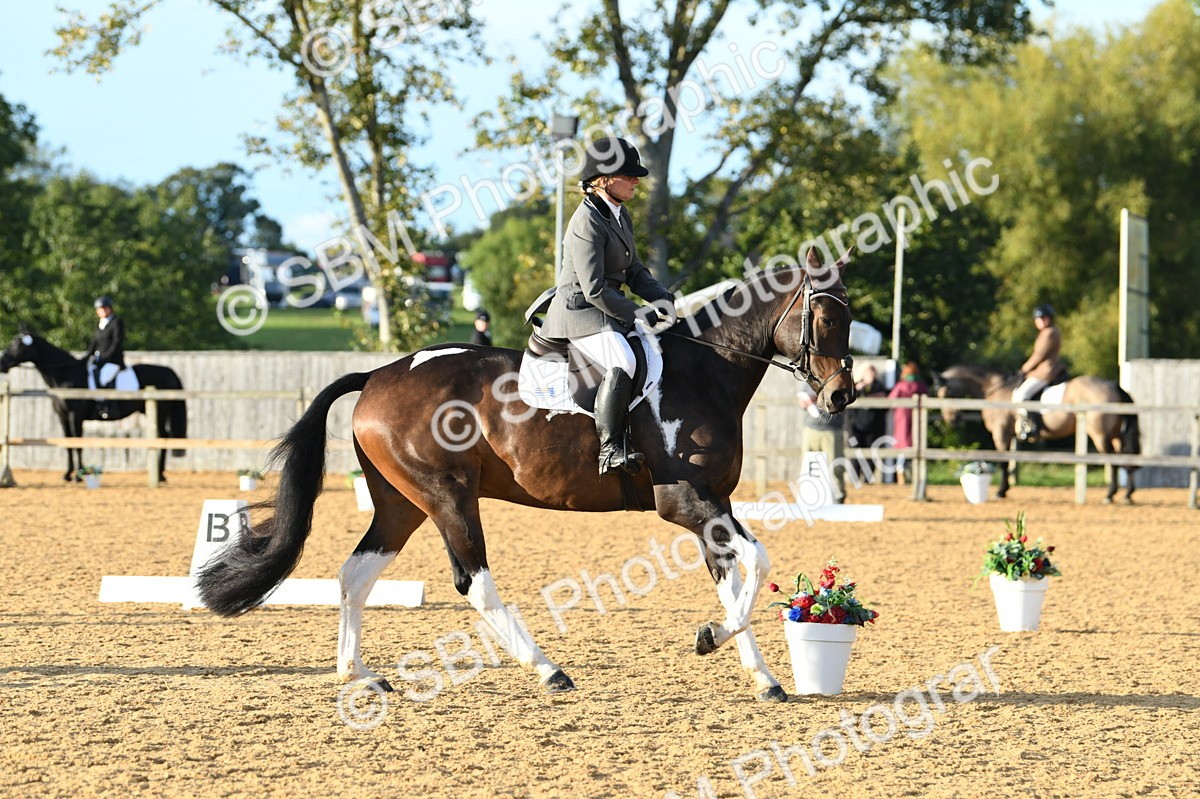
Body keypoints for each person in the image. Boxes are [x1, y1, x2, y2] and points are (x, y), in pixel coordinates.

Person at [540, 136, 675, 476]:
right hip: (579, 311)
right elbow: (595, 287)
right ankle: (610, 447)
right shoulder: (586, 221)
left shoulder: (619, 215)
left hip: (605, 308)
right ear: (603, 179)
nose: (636, 180)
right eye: (628, 174)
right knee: (624, 359)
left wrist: (661, 296)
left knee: (655, 350)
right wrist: (637, 313)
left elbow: (634, 270)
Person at [1013, 304, 1064, 442]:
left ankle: (1030, 426)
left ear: (1049, 319)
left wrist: (1023, 369)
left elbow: (1038, 355)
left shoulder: (1050, 333)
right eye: (1038, 319)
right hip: (1043, 369)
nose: (1041, 321)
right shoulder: (1048, 332)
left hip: (1046, 371)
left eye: (1043, 318)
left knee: (1021, 395)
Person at [798, 386, 846, 503]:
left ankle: (839, 495)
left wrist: (816, 399)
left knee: (835, 464)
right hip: (811, 427)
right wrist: (804, 403)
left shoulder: (840, 379)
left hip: (831, 428)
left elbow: (843, 400)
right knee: (807, 464)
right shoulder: (810, 378)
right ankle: (808, 494)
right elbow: (803, 396)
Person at [887, 361, 928, 484]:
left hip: (902, 416)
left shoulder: (901, 385)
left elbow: (891, 399)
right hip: (918, 417)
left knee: (902, 447)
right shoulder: (921, 385)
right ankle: (917, 474)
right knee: (916, 444)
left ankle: (900, 474)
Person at [844, 364, 887, 482]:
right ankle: (855, 479)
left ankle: (867, 479)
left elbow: (884, 399)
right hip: (855, 427)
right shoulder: (855, 386)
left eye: (872, 373)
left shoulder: (879, 386)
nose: (871, 376)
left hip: (874, 427)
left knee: (872, 454)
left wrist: (868, 395)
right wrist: (859, 389)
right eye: (868, 373)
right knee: (855, 454)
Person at [86, 295, 126, 419]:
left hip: (113, 361)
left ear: (110, 309)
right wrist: (86, 356)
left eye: (104, 308)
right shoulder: (100, 324)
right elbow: (94, 343)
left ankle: (108, 407)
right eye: (100, 309)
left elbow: (116, 343)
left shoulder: (116, 323)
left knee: (104, 378)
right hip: (99, 360)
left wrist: (105, 357)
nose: (102, 311)